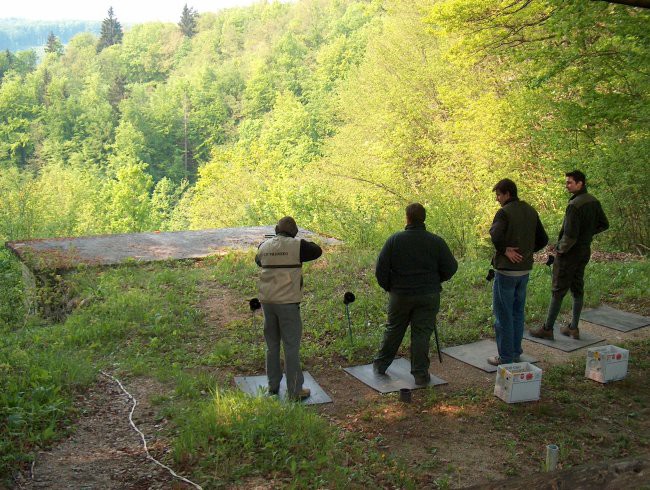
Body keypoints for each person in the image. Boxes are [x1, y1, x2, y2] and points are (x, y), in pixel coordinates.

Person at [373, 203, 458, 385]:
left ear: (407, 218)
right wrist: (435, 281)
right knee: (421, 334)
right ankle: (420, 374)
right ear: (424, 219)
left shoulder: (394, 240)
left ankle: (381, 365)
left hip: (400, 295)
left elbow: (381, 270)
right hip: (428, 295)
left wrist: (390, 287)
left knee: (394, 329)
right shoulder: (436, 241)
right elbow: (451, 268)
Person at [530, 170, 609, 340]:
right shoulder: (593, 201)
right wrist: (587, 235)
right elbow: (604, 224)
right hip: (584, 251)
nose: (566, 185)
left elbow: (570, 235)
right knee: (577, 288)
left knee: (558, 290)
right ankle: (573, 328)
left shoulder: (575, 205)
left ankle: (547, 329)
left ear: (580, 183)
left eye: (570, 182)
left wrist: (559, 250)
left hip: (570, 254)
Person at [256, 216, 322, 401]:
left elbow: (258, 261)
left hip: (267, 302)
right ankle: (294, 390)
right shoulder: (298, 246)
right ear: (294, 231)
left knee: (272, 346)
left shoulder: (263, 246)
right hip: (288, 303)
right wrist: (296, 240)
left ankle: (273, 386)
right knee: (291, 346)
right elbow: (317, 250)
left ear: (276, 229)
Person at [488, 179, 548, 366]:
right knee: (517, 313)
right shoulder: (530, 210)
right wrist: (527, 252)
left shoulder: (504, 212)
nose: (497, 199)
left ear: (507, 194)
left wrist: (505, 250)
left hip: (506, 272)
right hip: (524, 271)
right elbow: (543, 239)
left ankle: (505, 357)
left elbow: (495, 235)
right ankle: (515, 351)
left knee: (503, 315)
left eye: (498, 194)